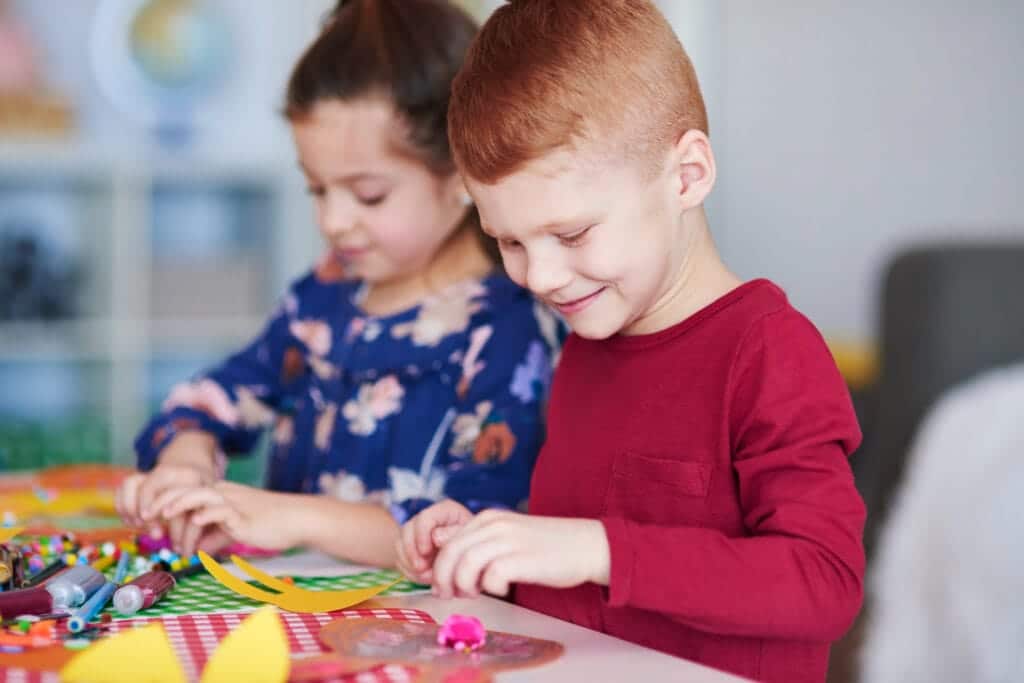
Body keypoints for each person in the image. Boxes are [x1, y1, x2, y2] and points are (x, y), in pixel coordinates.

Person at [396, 2, 865, 681]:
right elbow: (588, 588)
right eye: (510, 241)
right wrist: (490, 550)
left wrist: (593, 548)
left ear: (687, 175)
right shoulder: (587, 340)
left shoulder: (771, 353)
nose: (543, 276)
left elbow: (823, 583)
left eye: (573, 234)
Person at [115, 0, 562, 568]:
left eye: (368, 194)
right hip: (296, 611)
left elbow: (475, 529)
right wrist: (187, 457)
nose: (333, 221)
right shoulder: (326, 295)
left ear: (462, 173)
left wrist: (293, 517)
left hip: (432, 637)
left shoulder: (507, 328)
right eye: (318, 190)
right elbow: (223, 392)